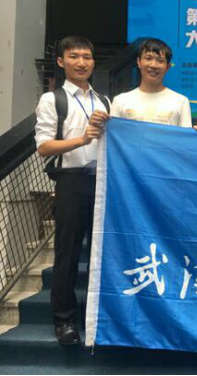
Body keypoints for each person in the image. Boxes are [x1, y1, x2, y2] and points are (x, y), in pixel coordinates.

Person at [35, 36, 109, 345]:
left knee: (101, 253)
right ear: (61, 61)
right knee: (67, 253)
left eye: (87, 57)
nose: (81, 62)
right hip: (70, 181)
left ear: (93, 62)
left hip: (103, 183)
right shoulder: (52, 100)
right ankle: (64, 319)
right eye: (74, 56)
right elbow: (43, 146)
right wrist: (82, 139)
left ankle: (97, 314)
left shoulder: (104, 101)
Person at [107, 38, 192, 127]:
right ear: (138, 62)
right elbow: (113, 134)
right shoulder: (120, 101)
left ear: (168, 67)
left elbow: (185, 135)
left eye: (160, 61)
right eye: (148, 58)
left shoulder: (181, 102)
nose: (153, 65)